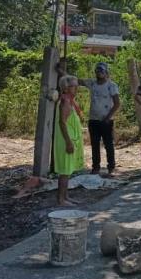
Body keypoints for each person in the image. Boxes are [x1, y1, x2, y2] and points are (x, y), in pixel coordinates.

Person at [80, 62, 120, 177]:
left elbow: (117, 103)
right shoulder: (92, 83)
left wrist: (108, 117)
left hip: (106, 120)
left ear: (106, 72)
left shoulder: (111, 86)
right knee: (95, 144)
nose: (99, 73)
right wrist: (63, 73)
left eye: (101, 71)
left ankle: (111, 167)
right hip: (93, 119)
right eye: (97, 71)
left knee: (108, 144)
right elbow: (79, 81)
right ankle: (95, 167)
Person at [53, 75, 86, 206]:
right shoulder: (65, 102)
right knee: (64, 171)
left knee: (67, 170)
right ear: (66, 88)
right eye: (73, 86)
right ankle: (61, 199)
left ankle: (66, 197)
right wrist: (68, 141)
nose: (76, 88)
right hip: (65, 139)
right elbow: (62, 123)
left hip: (70, 138)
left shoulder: (70, 100)